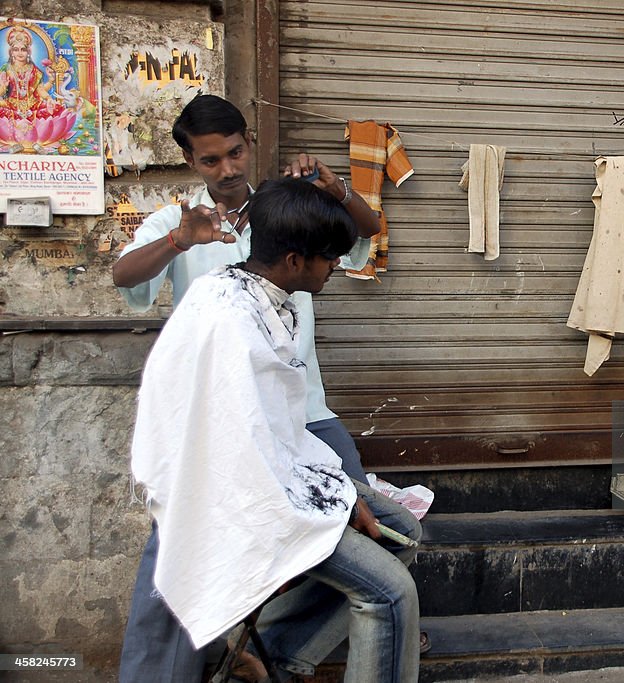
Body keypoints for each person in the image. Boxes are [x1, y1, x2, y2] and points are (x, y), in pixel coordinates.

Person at [114, 95, 423, 681]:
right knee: (189, 548)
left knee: (387, 534)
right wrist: (181, 241)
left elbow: (363, 232)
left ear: (249, 144)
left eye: (235, 153)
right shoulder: (180, 228)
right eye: (211, 162)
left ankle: (267, 657)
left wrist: (334, 188)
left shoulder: (283, 206)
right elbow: (123, 276)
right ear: (190, 162)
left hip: (300, 414)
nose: (228, 170)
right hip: (223, 432)